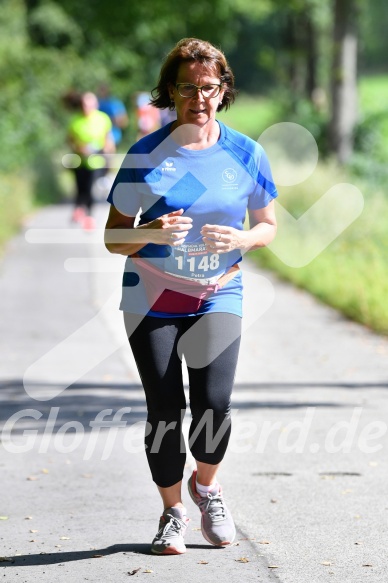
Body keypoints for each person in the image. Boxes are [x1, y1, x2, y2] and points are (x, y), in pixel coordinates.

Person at [104, 37, 278, 555]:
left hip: (219, 291)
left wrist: (243, 239)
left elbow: (267, 224)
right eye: (186, 87)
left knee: (214, 404)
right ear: (170, 92)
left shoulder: (247, 152)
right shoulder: (145, 155)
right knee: (164, 409)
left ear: (222, 90)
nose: (197, 97)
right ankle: (172, 511)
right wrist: (152, 231)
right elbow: (114, 238)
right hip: (151, 296)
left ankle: (208, 486)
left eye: (207, 87)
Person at [67, 92, 114, 229]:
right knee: (81, 188)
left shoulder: (103, 119)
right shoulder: (75, 120)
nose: (87, 107)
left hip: (98, 160)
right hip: (80, 160)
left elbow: (108, 139)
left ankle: (89, 216)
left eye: (89, 105)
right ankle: (79, 208)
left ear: (95, 105)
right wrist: (78, 147)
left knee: (91, 188)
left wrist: (108, 152)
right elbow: (70, 140)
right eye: (84, 105)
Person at [98, 83, 129, 148]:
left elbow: (125, 120)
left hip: (114, 135)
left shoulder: (115, 103)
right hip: (98, 136)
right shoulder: (97, 103)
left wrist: (111, 120)